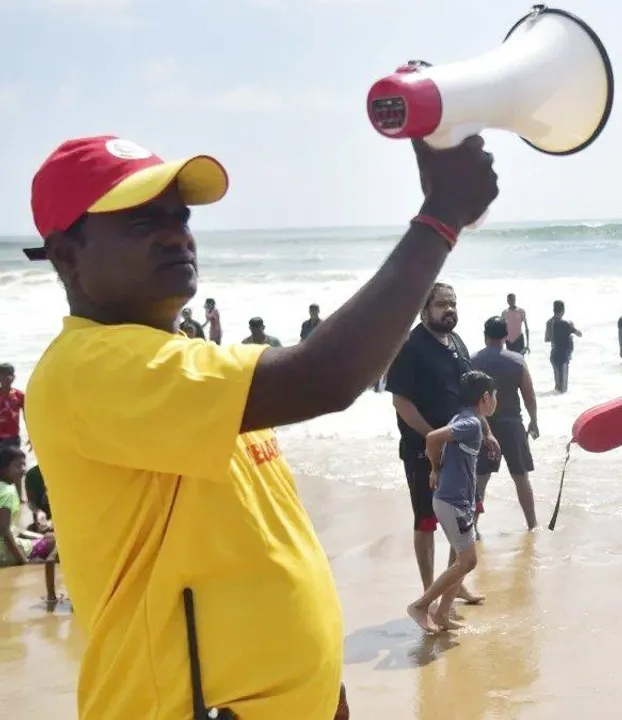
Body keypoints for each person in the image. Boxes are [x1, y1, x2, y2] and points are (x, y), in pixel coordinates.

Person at [18, 132, 496, 718]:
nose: (177, 234)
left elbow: (259, 536)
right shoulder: (87, 371)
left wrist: (321, 685)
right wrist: (441, 219)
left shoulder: (191, 365)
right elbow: (325, 377)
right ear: (66, 254)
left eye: (179, 216)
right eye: (143, 223)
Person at [387, 282, 491, 605]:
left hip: (460, 452)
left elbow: (471, 398)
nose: (450, 310)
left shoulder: (457, 342)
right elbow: (401, 403)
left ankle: (453, 583)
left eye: (454, 304)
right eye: (442, 304)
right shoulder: (411, 348)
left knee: (463, 516)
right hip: (423, 451)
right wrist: (435, 434)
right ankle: (429, 589)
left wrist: (486, 431)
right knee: (427, 521)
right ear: (424, 309)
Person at [406, 370, 497, 633]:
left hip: (456, 500)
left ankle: (443, 613)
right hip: (452, 501)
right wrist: (434, 468)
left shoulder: (466, 417)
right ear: (486, 397)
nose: (495, 402)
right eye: (495, 396)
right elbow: (433, 438)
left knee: (461, 556)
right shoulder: (470, 424)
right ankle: (422, 606)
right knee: (468, 561)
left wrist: (437, 469)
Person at [472, 316, 540, 531]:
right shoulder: (517, 361)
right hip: (512, 425)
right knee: (521, 477)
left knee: (481, 478)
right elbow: (529, 395)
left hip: (484, 427)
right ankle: (532, 524)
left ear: (485, 336)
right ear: (506, 336)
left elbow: (464, 397)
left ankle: (472, 527)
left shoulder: (473, 361)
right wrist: (534, 420)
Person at [0, 446, 32, 567]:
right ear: (3, 469)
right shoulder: (8, 492)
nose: (23, 469)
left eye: (24, 464)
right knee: (52, 543)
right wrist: (23, 560)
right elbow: (4, 530)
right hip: (4, 554)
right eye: (17, 466)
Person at [545, 300, 582, 392]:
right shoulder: (566, 323)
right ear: (563, 310)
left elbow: (547, 339)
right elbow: (580, 334)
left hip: (553, 355)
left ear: (553, 309)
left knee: (557, 387)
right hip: (563, 357)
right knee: (563, 389)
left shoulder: (549, 322)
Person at [0, 363, 25, 454]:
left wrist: (32, 435)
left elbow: (28, 417)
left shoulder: (19, 395)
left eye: (9, 374)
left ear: (14, 377)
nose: (7, 377)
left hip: (13, 437)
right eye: (3, 375)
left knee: (11, 464)